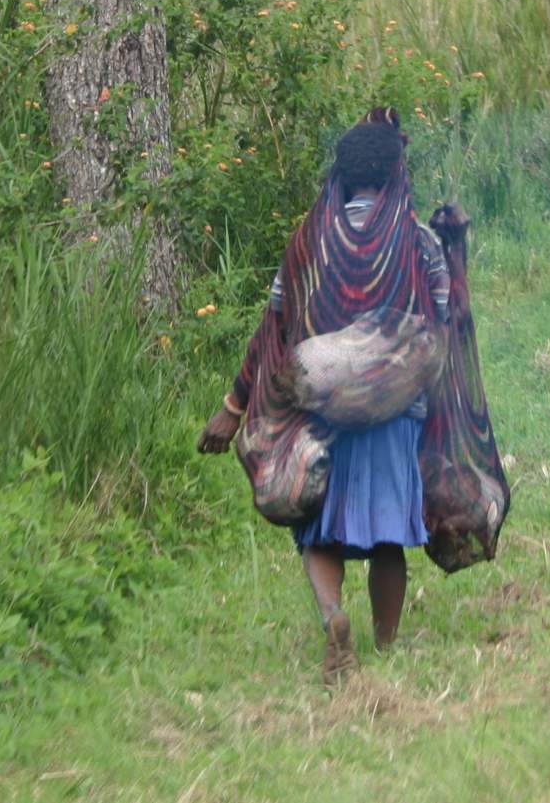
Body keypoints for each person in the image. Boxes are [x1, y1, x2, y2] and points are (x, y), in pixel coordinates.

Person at [197, 108, 450, 686]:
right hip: (393, 418)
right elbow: (443, 320)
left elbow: (275, 328)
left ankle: (335, 617)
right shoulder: (419, 242)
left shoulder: (308, 243)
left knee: (319, 531)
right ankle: (385, 647)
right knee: (389, 537)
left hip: (321, 415)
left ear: (342, 175)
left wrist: (234, 409)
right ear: (393, 176)